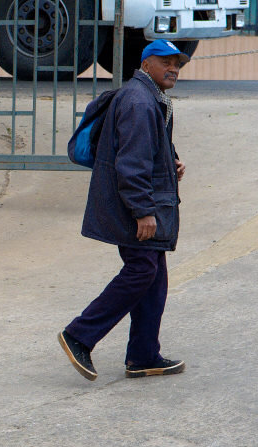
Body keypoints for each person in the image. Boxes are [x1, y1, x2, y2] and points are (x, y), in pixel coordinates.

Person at [58, 40, 189, 381]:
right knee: (142, 270)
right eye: (166, 62)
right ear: (146, 64)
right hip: (134, 207)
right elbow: (131, 163)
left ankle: (144, 355)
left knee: (153, 276)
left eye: (178, 63)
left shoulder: (149, 98)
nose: (174, 68)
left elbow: (146, 150)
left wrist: (169, 163)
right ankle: (79, 335)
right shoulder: (139, 101)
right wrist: (143, 211)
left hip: (141, 201)